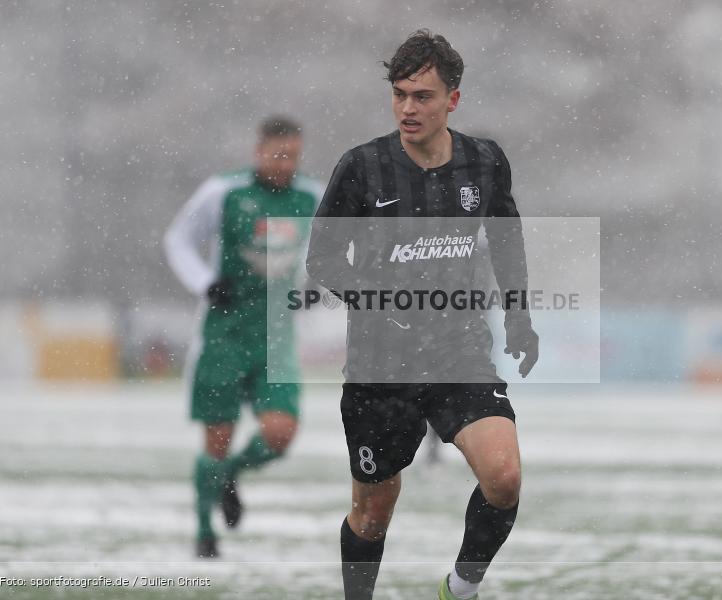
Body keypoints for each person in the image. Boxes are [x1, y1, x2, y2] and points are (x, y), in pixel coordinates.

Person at [306, 31, 539, 599]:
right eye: (400, 94)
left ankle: (460, 587)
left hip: (457, 351)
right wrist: (381, 303)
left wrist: (517, 316)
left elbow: (506, 242)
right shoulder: (362, 166)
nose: (409, 108)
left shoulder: (484, 163)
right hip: (379, 366)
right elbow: (323, 258)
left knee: (504, 477)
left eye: (423, 96)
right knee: (373, 510)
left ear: (452, 100)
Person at [164, 115, 323, 558]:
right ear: (258, 152)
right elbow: (177, 239)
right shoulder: (224, 192)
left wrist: (317, 284)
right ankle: (203, 531)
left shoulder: (312, 196)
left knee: (280, 432)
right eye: (277, 154)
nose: (284, 163)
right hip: (224, 333)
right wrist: (204, 282)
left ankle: (231, 473)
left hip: (275, 334)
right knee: (217, 434)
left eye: (292, 155)